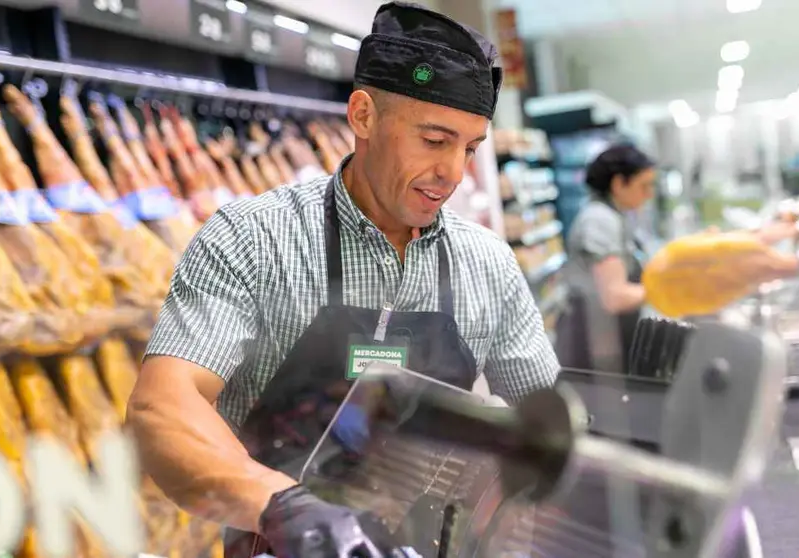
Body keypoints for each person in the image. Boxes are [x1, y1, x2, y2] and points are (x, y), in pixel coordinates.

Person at [126, 2, 558, 556]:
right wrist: (285, 507)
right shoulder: (253, 239)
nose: (454, 173)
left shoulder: (488, 264)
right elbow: (162, 406)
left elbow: (546, 428)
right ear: (363, 116)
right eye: (434, 140)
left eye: (469, 148)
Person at [556, 144, 798, 374]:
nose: (649, 195)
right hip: (596, 350)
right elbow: (615, 297)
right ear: (619, 183)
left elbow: (657, 259)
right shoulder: (600, 221)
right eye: (644, 186)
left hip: (611, 340)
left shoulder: (616, 216)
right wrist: (678, 285)